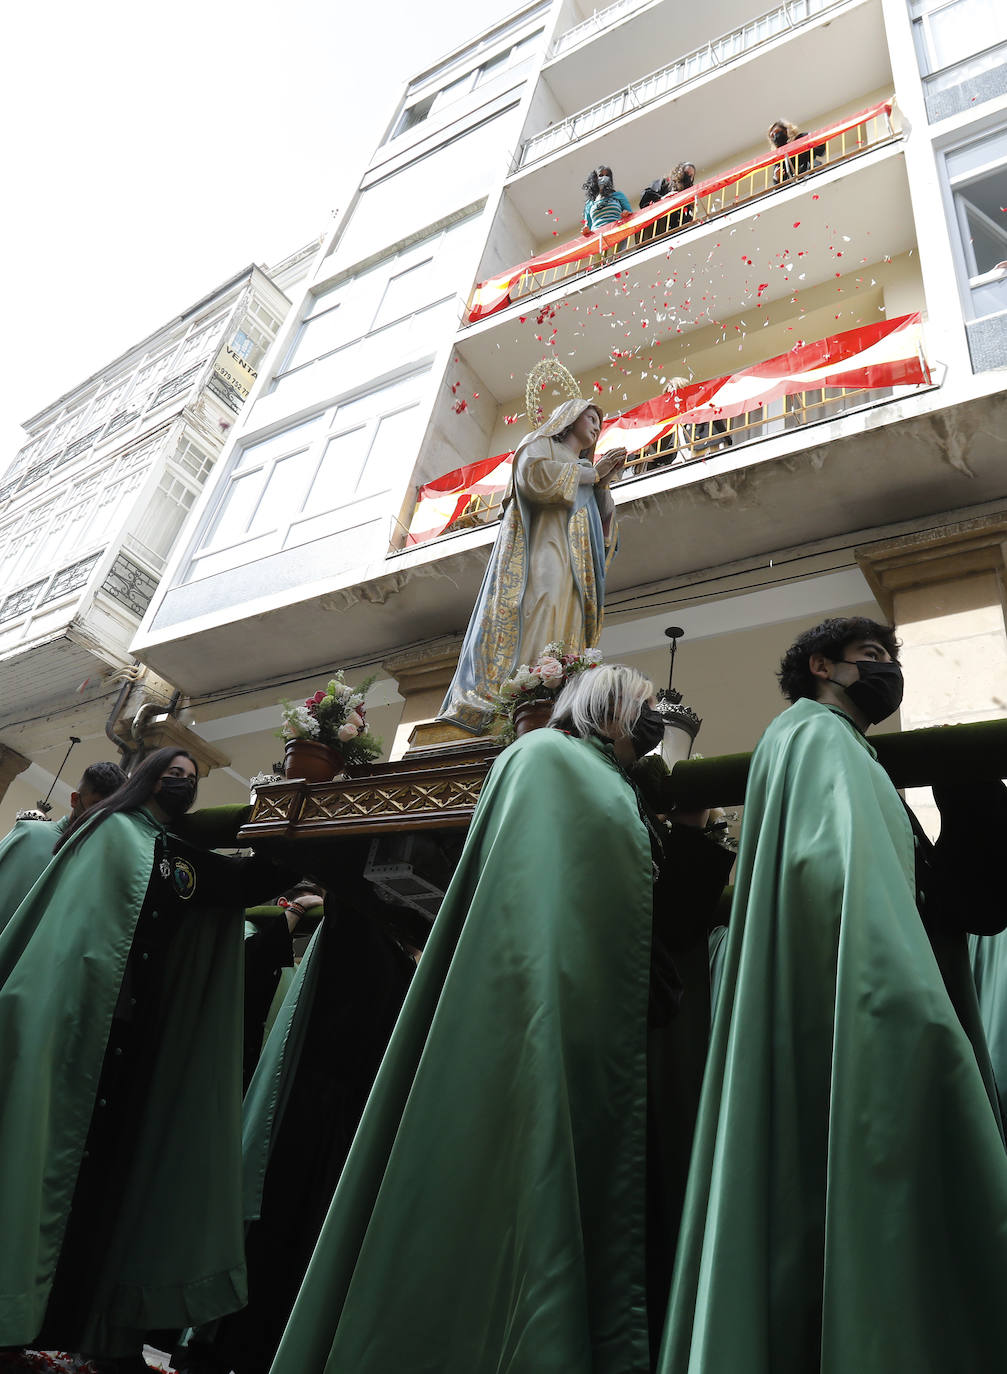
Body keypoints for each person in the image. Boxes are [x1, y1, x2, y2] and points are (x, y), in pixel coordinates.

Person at [269, 665, 732, 1374]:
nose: (652, 719)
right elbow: (533, 900)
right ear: (602, 709)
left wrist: (689, 829)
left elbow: (658, 919)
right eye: (643, 707)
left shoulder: (622, 791)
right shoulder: (546, 757)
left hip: (604, 1025)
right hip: (544, 1012)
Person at [661, 617, 1007, 1374]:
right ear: (821, 665)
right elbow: (838, 879)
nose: (886, 671)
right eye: (870, 658)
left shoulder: (846, 752)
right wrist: (913, 1011)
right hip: (869, 1003)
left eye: (891, 658)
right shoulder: (816, 737)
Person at [0, 747, 296, 1372]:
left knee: (101, 1187)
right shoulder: (110, 831)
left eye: (193, 778)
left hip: (131, 1050)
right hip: (74, 1034)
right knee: (36, 1168)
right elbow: (73, 939)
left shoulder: (175, 853)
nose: (183, 784)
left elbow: (237, 885)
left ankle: (75, 1327)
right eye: (173, 774)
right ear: (146, 778)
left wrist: (292, 818)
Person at [177, 848, 423, 1374]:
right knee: (278, 1223)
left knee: (303, 1236)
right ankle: (224, 1343)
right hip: (310, 1105)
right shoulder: (360, 932)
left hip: (344, 1110)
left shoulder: (401, 953)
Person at [438, 398, 625, 733]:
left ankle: (556, 692)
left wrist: (604, 485)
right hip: (546, 545)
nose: (597, 425)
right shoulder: (540, 445)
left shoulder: (586, 470)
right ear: (568, 417)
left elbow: (602, 524)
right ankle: (525, 688)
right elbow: (533, 478)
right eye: (590, 416)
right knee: (544, 604)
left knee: (569, 618)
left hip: (579, 563)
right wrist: (589, 474)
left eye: (600, 421)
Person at [0, 760, 125, 935]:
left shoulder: (97, 864)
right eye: (95, 805)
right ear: (75, 799)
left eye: (111, 811)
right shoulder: (28, 833)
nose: (101, 816)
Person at [242, 881, 325, 1092]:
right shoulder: (242, 931)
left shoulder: (292, 966)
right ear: (282, 904)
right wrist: (298, 908)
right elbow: (255, 959)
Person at [768, 118, 825, 184]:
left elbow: (821, 149)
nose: (775, 136)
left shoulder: (801, 138)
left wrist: (815, 140)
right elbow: (778, 183)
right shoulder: (778, 157)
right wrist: (776, 178)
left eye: (777, 132)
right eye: (772, 136)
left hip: (811, 172)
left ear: (786, 130)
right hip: (793, 183)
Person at [581, 165, 633, 234]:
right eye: (601, 175)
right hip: (598, 238)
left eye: (607, 175)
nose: (604, 178)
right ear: (595, 179)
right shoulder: (590, 203)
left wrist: (626, 213)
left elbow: (630, 213)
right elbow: (588, 227)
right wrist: (585, 231)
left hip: (618, 233)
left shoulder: (618, 195)